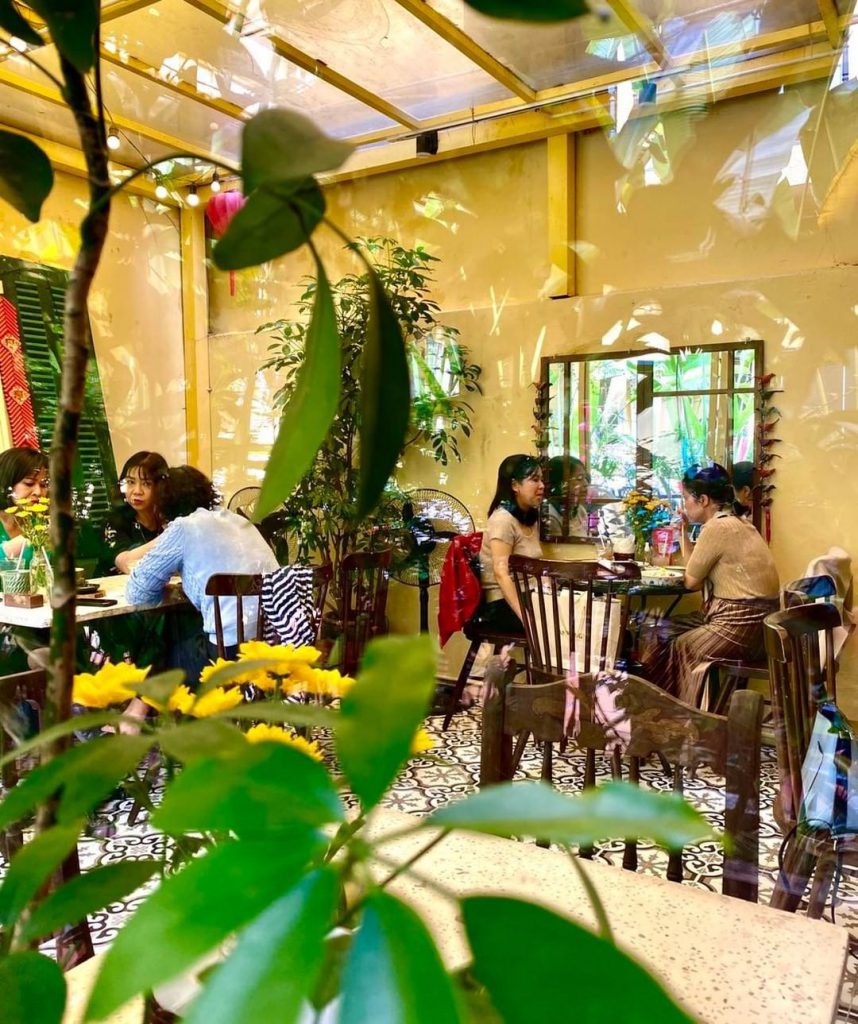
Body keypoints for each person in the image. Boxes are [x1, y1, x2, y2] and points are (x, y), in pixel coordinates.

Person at [640, 463, 779, 704]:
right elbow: (695, 569)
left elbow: (691, 583)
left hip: (740, 625)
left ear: (703, 500)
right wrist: (684, 531)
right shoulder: (739, 522)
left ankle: (685, 714)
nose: (684, 504)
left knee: (683, 645)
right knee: (660, 631)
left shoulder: (717, 527)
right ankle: (662, 703)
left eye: (686, 498)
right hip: (762, 627)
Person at [124, 466, 279, 676]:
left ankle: (152, 694)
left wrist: (166, 590)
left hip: (226, 655)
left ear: (163, 502)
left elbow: (137, 592)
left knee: (166, 636)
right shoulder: (239, 521)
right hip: (272, 644)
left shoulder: (184, 527)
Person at [474, 454, 544, 635]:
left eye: (541, 480)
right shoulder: (502, 520)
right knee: (563, 624)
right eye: (534, 480)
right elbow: (501, 574)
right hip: (502, 604)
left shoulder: (530, 517)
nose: (542, 486)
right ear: (514, 485)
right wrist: (527, 619)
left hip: (531, 595)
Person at [100, 451, 168, 574]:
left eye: (146, 484)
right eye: (131, 482)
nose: (137, 491)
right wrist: (172, 536)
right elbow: (126, 563)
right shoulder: (114, 520)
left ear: (160, 487)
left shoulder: (168, 519)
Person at [0, 446, 48, 563]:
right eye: (29, 483)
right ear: (7, 483)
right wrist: (27, 539)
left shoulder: (41, 522)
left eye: (43, 485)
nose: (38, 492)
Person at [544, 455, 590, 538]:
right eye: (579, 479)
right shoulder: (549, 515)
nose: (586, 484)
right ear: (561, 484)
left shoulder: (580, 511)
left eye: (585, 478)